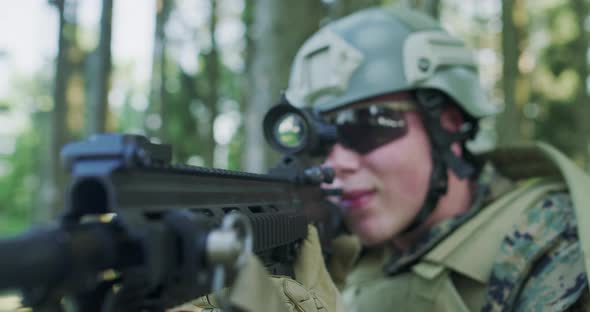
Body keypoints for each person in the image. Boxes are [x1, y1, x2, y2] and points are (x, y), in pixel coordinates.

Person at [179, 5, 590, 312]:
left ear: (448, 121)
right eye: (321, 140)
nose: (337, 161)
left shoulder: (554, 244)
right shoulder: (341, 250)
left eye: (368, 125)